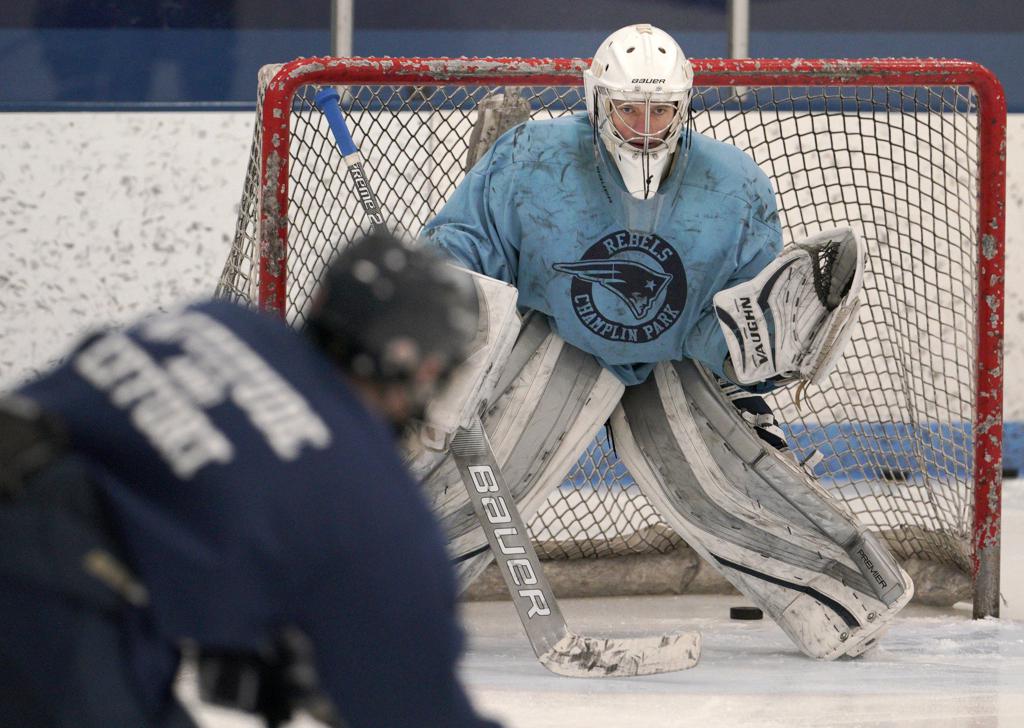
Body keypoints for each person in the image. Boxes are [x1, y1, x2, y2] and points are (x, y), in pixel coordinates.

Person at [415, 23, 913, 661]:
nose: (646, 127)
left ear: (684, 106)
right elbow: (468, 247)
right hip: (558, 339)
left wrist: (764, 352)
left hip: (676, 357)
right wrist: (442, 299)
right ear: (597, 102)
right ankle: (387, 589)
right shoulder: (531, 156)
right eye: (630, 110)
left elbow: (738, 318)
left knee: (723, 485)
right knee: (490, 471)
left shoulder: (735, 185)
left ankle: (842, 601)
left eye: (661, 111)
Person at [0, 231, 500, 728]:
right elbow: (422, 709)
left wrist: (237, 613)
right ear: (425, 370)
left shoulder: (218, 322)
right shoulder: (370, 489)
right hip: (47, 604)